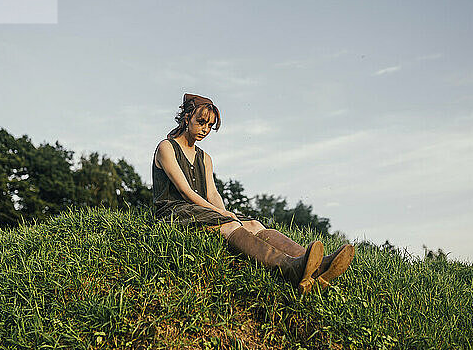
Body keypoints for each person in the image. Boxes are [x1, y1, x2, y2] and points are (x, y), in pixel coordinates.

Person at [152, 93, 354, 295]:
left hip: (202, 209)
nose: (205, 129)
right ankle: (291, 269)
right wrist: (223, 217)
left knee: (254, 224)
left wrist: (224, 212)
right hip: (175, 212)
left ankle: (316, 265)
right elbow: (186, 192)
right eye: (201, 122)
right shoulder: (166, 148)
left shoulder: (204, 157)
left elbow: (212, 193)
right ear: (187, 117)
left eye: (210, 125)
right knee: (230, 224)